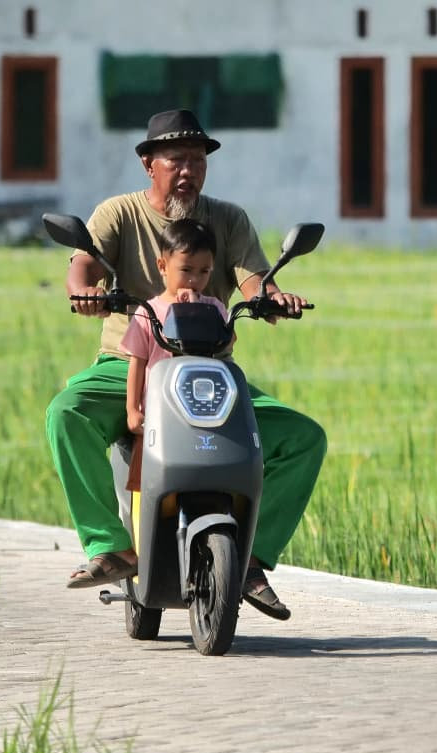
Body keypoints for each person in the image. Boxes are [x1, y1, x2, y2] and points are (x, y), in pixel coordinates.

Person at [45, 108, 326, 621]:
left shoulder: (229, 219)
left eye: (197, 160)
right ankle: (110, 546)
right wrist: (84, 292)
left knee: (304, 437)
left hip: (208, 370)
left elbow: (255, 282)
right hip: (127, 364)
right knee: (66, 412)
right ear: (148, 164)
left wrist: (274, 299)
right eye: (176, 159)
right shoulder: (119, 213)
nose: (188, 171)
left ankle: (251, 560)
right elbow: (83, 264)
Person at [121, 218, 228, 438]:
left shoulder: (213, 308)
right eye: (186, 269)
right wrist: (132, 410)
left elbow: (227, 340)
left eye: (204, 271)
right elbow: (137, 363)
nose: (194, 280)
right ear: (163, 266)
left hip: (205, 407)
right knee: (146, 455)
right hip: (158, 408)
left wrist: (196, 310)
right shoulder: (148, 311)